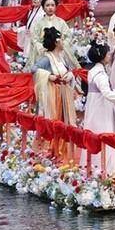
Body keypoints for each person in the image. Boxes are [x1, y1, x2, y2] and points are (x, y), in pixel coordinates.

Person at [80, 41, 115, 180]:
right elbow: (108, 93)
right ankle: (107, 167)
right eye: (107, 53)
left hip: (96, 106)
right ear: (103, 56)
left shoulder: (93, 70)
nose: (109, 55)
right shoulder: (100, 74)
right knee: (104, 134)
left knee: (96, 133)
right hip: (101, 109)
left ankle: (96, 165)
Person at [32, 28, 79, 159]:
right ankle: (50, 151)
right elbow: (34, 69)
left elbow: (69, 71)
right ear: (57, 42)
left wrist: (70, 75)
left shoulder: (61, 57)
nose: (64, 42)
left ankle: (61, 151)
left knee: (64, 122)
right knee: (54, 121)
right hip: (53, 96)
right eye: (62, 40)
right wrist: (49, 76)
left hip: (63, 94)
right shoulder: (47, 59)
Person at [24, 0, 79, 70]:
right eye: (47, 5)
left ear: (56, 7)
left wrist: (61, 45)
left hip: (60, 54)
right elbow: (34, 39)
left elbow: (68, 37)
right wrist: (42, 48)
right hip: (43, 54)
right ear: (43, 8)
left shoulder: (61, 22)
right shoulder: (39, 23)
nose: (50, 8)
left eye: (52, 5)